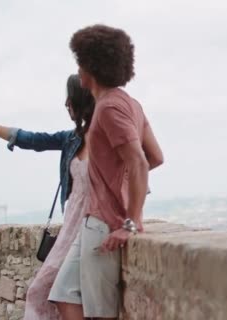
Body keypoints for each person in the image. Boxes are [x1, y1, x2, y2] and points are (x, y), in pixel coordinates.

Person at [49, 25, 164, 320]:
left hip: (103, 224)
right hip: (92, 221)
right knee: (63, 294)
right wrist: (121, 179)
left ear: (93, 67)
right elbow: (156, 157)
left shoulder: (109, 109)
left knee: (100, 313)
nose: (78, 69)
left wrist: (131, 222)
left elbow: (140, 162)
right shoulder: (129, 104)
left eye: (81, 62)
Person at [0, 74, 95, 320]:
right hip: (72, 227)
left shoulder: (105, 139)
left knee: (55, 291)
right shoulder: (71, 139)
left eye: (70, 97)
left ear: (82, 99)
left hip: (94, 225)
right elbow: (30, 139)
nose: (66, 102)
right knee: (41, 291)